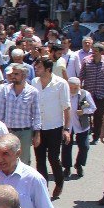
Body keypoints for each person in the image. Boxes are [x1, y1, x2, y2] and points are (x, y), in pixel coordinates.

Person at [30, 57, 70, 197]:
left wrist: (67, 129)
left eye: (39, 67)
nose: (36, 69)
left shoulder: (61, 84)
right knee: (39, 159)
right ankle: (44, 188)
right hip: (38, 127)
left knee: (53, 158)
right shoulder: (34, 82)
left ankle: (59, 182)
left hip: (55, 127)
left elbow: (66, 108)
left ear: (48, 69)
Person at [0, 64, 41, 167]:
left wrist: (37, 134)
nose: (13, 76)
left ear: (24, 75)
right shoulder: (6, 90)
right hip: (8, 131)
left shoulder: (33, 92)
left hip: (24, 132)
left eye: (16, 74)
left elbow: (36, 114)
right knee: (6, 159)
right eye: (12, 73)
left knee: (24, 160)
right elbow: (1, 112)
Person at [63, 76, 94, 178]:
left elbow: (92, 108)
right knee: (66, 146)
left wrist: (84, 111)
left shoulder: (84, 95)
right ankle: (67, 167)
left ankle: (79, 164)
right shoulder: (64, 94)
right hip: (67, 125)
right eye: (70, 88)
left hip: (81, 125)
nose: (72, 90)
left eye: (75, 88)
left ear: (79, 86)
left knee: (84, 146)